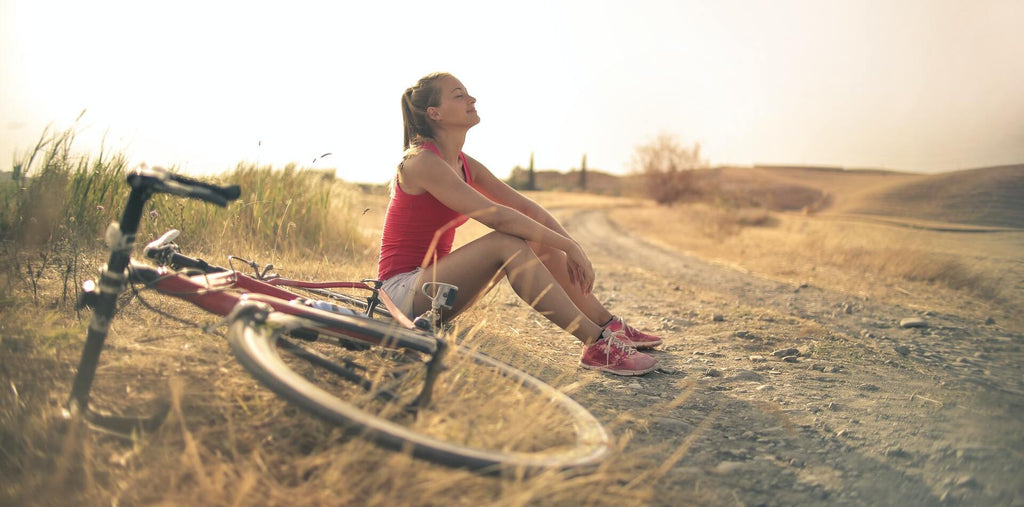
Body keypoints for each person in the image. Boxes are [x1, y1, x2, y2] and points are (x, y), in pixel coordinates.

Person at [378, 72, 662, 376]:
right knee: (507, 241)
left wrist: (570, 246)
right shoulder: (421, 162)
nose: (471, 99)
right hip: (400, 294)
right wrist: (567, 245)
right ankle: (595, 343)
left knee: (538, 237)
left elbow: (525, 207)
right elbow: (497, 215)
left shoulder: (463, 163)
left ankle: (609, 326)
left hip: (436, 291)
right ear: (435, 113)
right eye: (459, 95)